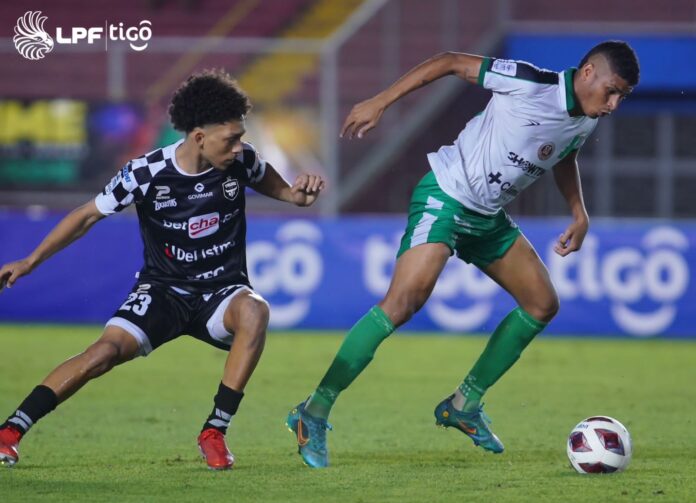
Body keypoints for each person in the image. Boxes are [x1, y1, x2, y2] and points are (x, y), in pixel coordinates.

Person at [287, 41, 639, 468]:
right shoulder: (529, 83)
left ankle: (463, 404)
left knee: (542, 303)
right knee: (403, 302)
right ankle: (313, 412)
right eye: (612, 91)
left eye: (622, 97)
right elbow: (450, 62)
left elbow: (565, 154)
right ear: (587, 72)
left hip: (487, 217)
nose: (614, 104)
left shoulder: (586, 118)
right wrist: (381, 101)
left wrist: (579, 212)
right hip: (448, 194)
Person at [0, 69, 324, 470]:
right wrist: (30, 260)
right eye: (231, 138)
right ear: (199, 137)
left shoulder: (242, 160)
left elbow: (275, 184)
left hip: (222, 292)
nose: (239, 146)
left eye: (241, 137)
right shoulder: (145, 172)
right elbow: (86, 215)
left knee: (255, 310)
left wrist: (296, 196)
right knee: (103, 353)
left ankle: (214, 432)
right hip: (163, 290)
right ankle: (10, 430)